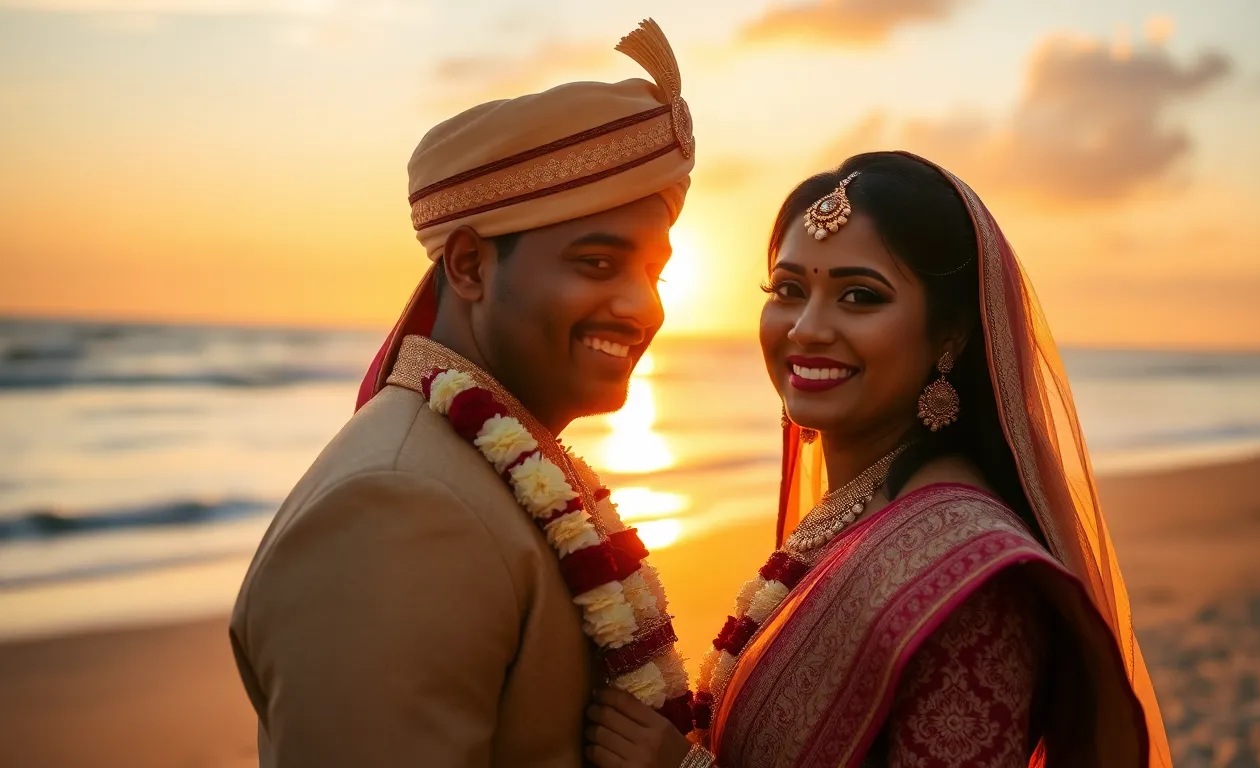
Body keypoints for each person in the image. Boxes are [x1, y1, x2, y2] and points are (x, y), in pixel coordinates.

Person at [583, 152, 1173, 767]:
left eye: (859, 296)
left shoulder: (971, 581)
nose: (807, 328)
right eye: (788, 290)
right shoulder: (861, 506)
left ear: (952, 335)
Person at [230, 19, 698, 766]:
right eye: (598, 263)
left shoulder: (484, 467)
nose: (645, 308)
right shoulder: (396, 510)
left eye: (655, 273)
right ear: (472, 266)